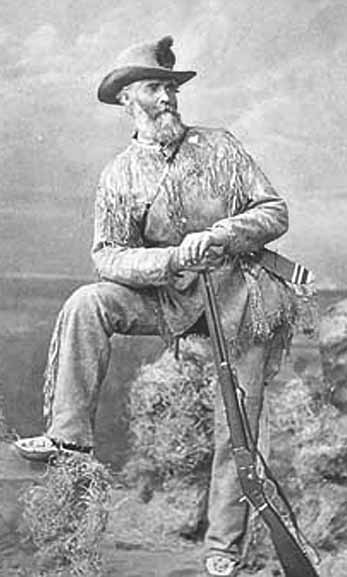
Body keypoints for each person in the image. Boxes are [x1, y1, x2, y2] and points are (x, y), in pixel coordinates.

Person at [14, 35, 302, 577]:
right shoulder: (119, 175)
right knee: (87, 304)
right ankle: (69, 438)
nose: (168, 98)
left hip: (241, 300)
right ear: (128, 99)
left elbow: (274, 210)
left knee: (235, 424)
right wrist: (168, 261)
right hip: (171, 298)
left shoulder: (221, 147)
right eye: (155, 88)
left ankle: (224, 546)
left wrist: (224, 232)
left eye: (171, 87)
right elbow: (108, 257)